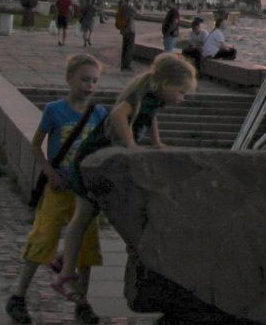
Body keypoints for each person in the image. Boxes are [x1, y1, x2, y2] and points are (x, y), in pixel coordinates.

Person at [51, 52, 196, 301]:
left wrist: (157, 142)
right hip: (92, 157)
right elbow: (119, 114)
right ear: (165, 85)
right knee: (82, 216)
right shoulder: (144, 95)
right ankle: (65, 275)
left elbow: (151, 118)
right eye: (181, 92)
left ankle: (63, 258)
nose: (182, 99)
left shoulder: (153, 98)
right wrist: (130, 146)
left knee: (88, 215)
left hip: (100, 158)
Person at [5, 52, 106, 325]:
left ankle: (82, 302)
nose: (90, 86)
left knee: (87, 245)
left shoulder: (99, 113)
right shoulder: (54, 110)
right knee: (43, 237)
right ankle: (18, 296)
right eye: (85, 79)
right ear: (70, 79)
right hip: (59, 186)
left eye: (95, 81)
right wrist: (49, 171)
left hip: (84, 191)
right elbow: (36, 143)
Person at [114, 0, 137, 71]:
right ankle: (127, 65)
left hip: (124, 28)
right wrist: (142, 5)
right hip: (129, 29)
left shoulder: (123, 4)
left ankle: (123, 65)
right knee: (129, 48)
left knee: (125, 47)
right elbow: (139, 13)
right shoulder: (128, 6)